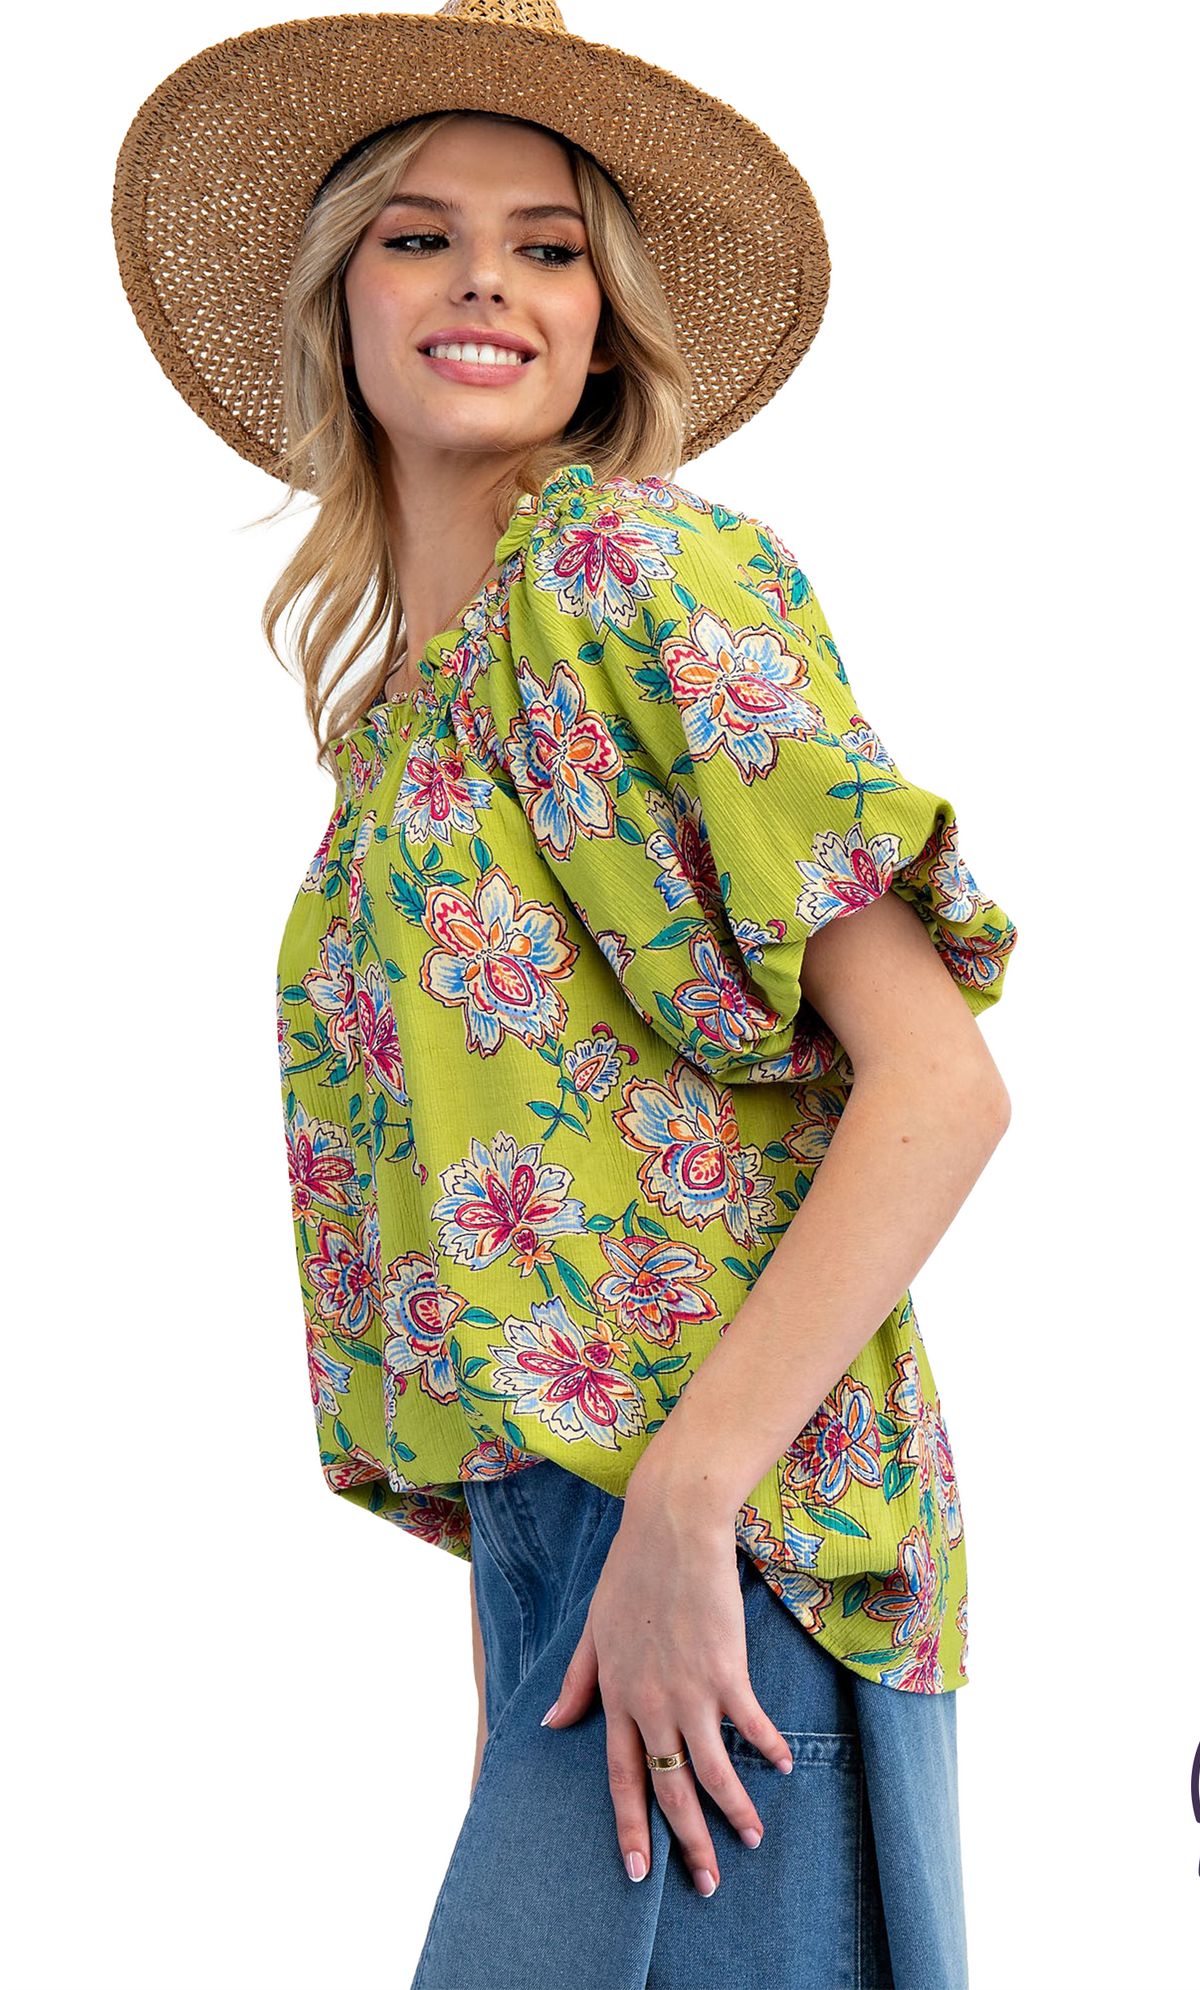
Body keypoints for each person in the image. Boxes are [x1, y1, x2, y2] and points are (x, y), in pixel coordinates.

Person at [113, 5, 1019, 1984]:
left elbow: (940, 1082)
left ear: (604, 321)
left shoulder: (631, 576)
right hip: (572, 1580)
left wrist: (688, 1506)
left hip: (744, 1537)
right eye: (419, 235)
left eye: (547, 245)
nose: (486, 284)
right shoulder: (396, 738)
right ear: (339, 297)